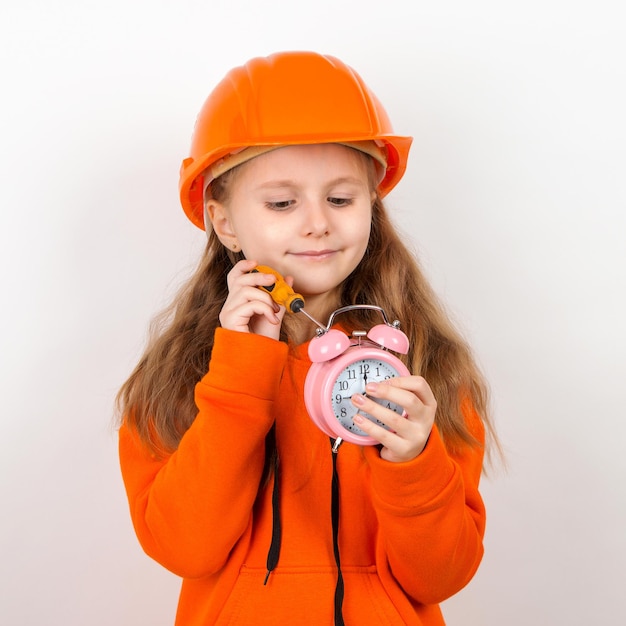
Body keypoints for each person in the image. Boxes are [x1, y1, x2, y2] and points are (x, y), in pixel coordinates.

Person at [117, 50, 499, 625]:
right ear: (223, 221)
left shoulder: (425, 368)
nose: (317, 222)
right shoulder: (183, 376)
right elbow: (184, 548)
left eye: (341, 198)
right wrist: (241, 374)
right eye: (281, 202)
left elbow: (441, 577)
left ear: (373, 203)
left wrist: (414, 460)